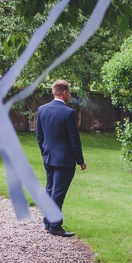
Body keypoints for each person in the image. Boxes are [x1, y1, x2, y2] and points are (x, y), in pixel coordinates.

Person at [35, 79, 87, 237]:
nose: (69, 95)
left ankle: (47, 221)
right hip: (64, 160)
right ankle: (55, 225)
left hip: (48, 157)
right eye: (69, 93)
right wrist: (80, 160)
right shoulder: (68, 113)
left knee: (50, 189)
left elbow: (39, 136)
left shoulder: (42, 109)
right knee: (57, 192)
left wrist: (44, 153)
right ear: (64, 93)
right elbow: (74, 140)